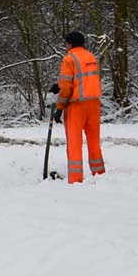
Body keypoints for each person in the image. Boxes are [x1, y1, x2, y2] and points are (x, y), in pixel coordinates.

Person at [51, 31, 105, 184]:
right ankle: (100, 174)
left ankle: (75, 180)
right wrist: (59, 86)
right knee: (94, 142)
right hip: (94, 104)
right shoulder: (91, 57)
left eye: (66, 42)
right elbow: (84, 81)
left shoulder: (69, 59)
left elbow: (68, 87)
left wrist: (60, 108)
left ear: (70, 43)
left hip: (76, 106)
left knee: (74, 144)